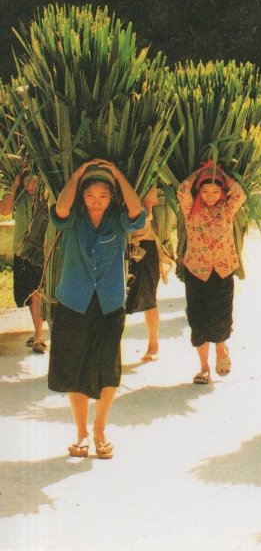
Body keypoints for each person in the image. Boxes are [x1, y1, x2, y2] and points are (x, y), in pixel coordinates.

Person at [47, 159, 145, 459]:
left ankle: (100, 429)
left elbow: (138, 215)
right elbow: (59, 211)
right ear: (82, 196)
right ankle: (81, 434)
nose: (96, 201)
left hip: (109, 301)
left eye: (103, 195)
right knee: (74, 365)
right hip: (73, 300)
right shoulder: (73, 216)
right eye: (90, 195)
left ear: (112, 197)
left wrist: (116, 173)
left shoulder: (119, 218)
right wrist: (79, 173)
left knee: (107, 366)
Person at [177, 161, 246, 384]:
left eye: (216, 191)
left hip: (223, 269)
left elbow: (239, 194)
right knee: (197, 318)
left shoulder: (227, 209)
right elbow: (182, 189)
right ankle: (204, 368)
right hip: (196, 270)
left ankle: (221, 349)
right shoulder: (190, 209)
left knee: (221, 315)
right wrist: (200, 172)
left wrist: (219, 173)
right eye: (205, 191)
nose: (210, 195)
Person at [0, 167, 46, 353]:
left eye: (35, 180)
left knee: (37, 294)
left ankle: (38, 336)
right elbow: (4, 210)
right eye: (28, 180)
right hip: (21, 253)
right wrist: (15, 184)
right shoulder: (19, 196)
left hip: (40, 254)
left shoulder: (47, 196)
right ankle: (38, 332)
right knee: (27, 295)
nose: (31, 185)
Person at [125, 184, 173, 362]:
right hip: (119, 244)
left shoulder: (147, 181)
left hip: (144, 244)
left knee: (149, 298)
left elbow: (148, 205)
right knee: (116, 302)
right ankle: (113, 347)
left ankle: (153, 344)